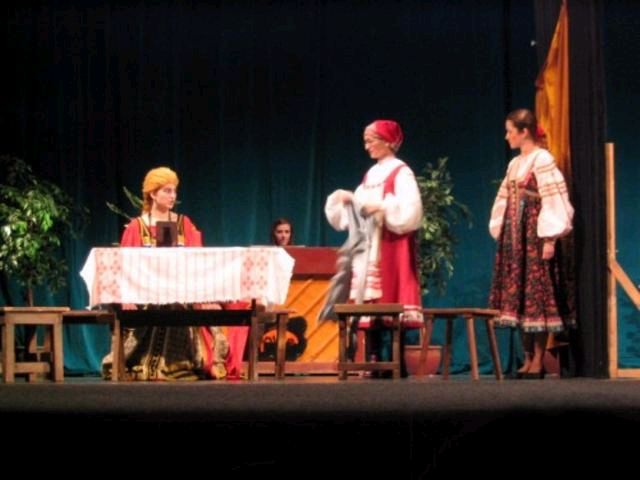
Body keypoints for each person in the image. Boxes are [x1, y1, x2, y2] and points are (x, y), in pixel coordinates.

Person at [102, 166, 229, 381]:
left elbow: (199, 263)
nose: (173, 196)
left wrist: (204, 297)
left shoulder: (184, 224)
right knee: (158, 307)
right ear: (153, 194)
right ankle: (143, 361)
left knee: (176, 306)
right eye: (167, 191)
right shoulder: (136, 227)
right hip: (145, 296)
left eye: (174, 191)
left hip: (183, 294)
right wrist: (126, 298)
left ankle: (179, 362)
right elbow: (123, 266)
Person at [324, 119, 423, 376]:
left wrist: (382, 207)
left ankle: (396, 361)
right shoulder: (371, 174)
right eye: (365, 141)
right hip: (370, 245)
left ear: (387, 142)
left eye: (371, 141)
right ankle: (375, 357)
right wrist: (348, 201)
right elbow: (361, 206)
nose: (367, 146)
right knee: (370, 299)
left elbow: (411, 211)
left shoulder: (401, 172)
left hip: (391, 244)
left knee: (391, 297)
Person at [488, 109, 575, 379]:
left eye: (510, 131)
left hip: (535, 237)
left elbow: (555, 200)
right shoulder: (515, 164)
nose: (507, 137)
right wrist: (501, 229)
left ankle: (538, 359)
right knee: (521, 297)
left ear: (524, 131)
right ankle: (527, 357)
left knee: (537, 297)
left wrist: (549, 238)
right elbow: (503, 199)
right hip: (516, 239)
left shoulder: (542, 159)